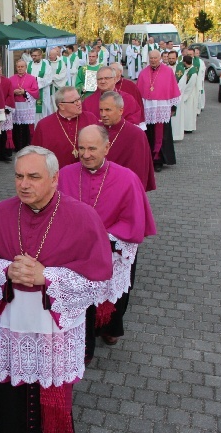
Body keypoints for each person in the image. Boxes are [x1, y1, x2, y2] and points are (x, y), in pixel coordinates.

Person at [0, 146, 113, 433]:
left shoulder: (82, 217)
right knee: (12, 392)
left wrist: (46, 276)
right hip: (13, 319)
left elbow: (97, 280)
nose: (24, 184)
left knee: (50, 388)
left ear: (54, 179)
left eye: (33, 176)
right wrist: (6, 270)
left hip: (53, 325)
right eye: (19, 176)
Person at [57, 125, 156, 359]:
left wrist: (104, 240)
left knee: (117, 290)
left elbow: (132, 220)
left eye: (92, 148)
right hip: (77, 248)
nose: (86, 154)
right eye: (81, 148)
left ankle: (111, 328)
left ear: (106, 148)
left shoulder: (127, 178)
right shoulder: (65, 174)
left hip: (113, 246)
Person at [98, 91, 156, 191]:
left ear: (121, 111)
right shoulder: (96, 130)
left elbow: (139, 170)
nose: (103, 114)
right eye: (101, 110)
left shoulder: (136, 134)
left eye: (108, 110)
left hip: (124, 188)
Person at [32, 86, 98, 168]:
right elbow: (36, 155)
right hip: (57, 175)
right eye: (74, 101)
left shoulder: (90, 119)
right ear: (61, 106)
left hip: (87, 173)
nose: (79, 103)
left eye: (79, 99)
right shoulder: (44, 125)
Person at [137, 50, 181, 172]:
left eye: (155, 58)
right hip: (148, 108)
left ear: (160, 58)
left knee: (161, 134)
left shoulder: (168, 72)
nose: (153, 60)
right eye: (151, 58)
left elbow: (173, 90)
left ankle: (159, 160)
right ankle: (149, 158)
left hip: (163, 107)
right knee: (149, 133)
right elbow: (138, 93)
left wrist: (173, 107)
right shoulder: (143, 73)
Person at [10, 59, 39, 152]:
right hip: (16, 106)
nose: (20, 68)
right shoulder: (11, 79)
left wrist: (25, 92)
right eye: (18, 67)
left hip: (26, 106)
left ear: (26, 67)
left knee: (27, 127)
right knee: (16, 126)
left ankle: (27, 145)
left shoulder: (32, 78)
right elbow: (7, 91)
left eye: (22, 67)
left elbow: (36, 91)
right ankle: (17, 145)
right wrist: (13, 92)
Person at [172, 55, 198, 140]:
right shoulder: (187, 70)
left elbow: (190, 86)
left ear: (185, 62)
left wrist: (185, 96)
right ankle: (184, 127)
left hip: (189, 95)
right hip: (184, 95)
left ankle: (188, 127)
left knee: (188, 112)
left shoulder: (193, 72)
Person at [27, 48, 53, 122]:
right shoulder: (28, 65)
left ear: (41, 55)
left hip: (43, 93)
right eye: (32, 55)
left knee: (43, 112)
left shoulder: (47, 66)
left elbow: (48, 80)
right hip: (30, 94)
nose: (33, 57)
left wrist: (34, 79)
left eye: (35, 55)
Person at [193, 47, 206, 114]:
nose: (196, 54)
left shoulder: (200, 61)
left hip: (199, 80)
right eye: (195, 53)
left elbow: (202, 71)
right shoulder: (191, 60)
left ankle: (199, 107)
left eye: (197, 53)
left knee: (199, 94)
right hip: (192, 80)